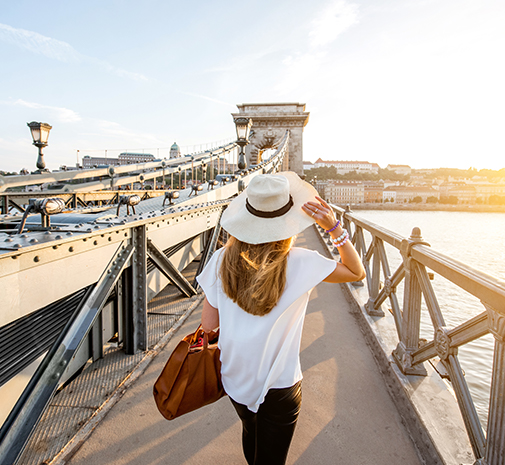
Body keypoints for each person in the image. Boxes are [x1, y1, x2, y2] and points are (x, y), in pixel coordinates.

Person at [196, 171, 365, 465]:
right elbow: (355, 272)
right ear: (288, 220)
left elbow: (209, 326)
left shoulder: (220, 260)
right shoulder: (302, 262)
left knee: (251, 435)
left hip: (235, 377)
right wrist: (335, 228)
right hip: (279, 385)